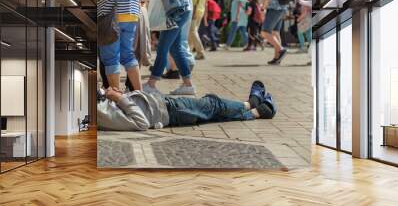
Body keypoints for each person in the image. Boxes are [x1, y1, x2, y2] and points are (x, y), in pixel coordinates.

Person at [98, 81, 277, 131]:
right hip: (169, 111)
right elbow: (141, 123)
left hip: (165, 107)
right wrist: (120, 99)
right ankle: (250, 103)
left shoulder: (97, 109)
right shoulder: (100, 115)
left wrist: (115, 95)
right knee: (212, 104)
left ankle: (257, 112)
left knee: (212, 115)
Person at [144, 0, 196, 95]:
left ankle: (151, 84)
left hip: (176, 11)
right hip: (182, 9)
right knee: (175, 48)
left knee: (162, 49)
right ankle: (188, 85)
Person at [98, 0, 143, 91]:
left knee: (111, 58)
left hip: (110, 11)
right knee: (128, 55)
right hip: (132, 11)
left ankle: (116, 100)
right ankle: (141, 96)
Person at [261, 0, 289, 65]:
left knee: (264, 32)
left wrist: (263, 9)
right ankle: (277, 58)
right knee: (275, 32)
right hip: (282, 8)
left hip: (274, 8)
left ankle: (281, 49)